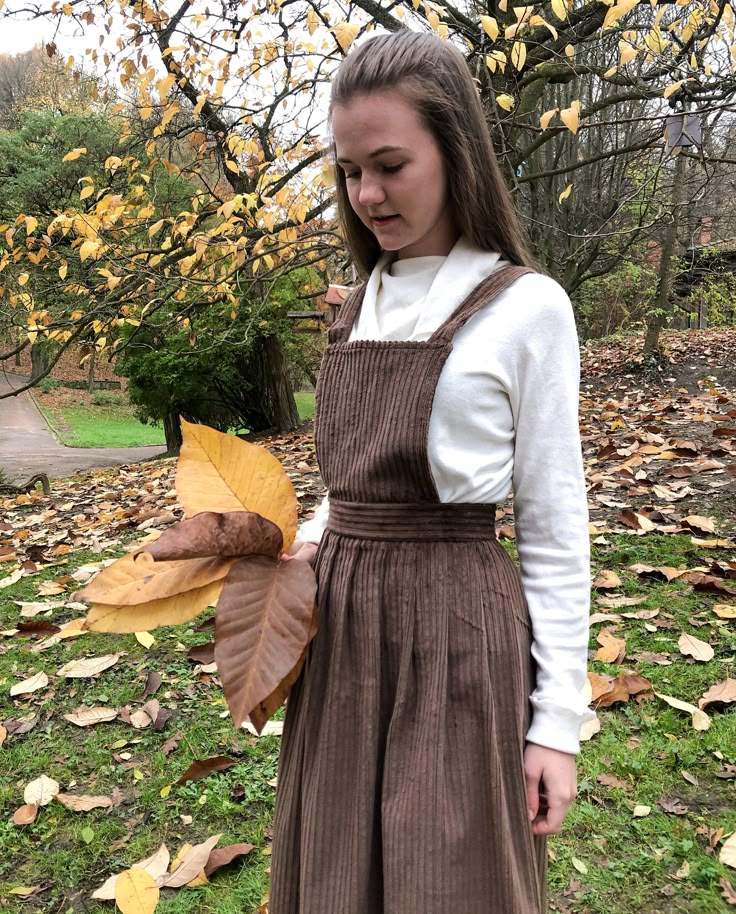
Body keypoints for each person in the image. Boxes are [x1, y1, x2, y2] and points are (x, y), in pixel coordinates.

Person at [272, 29, 594, 914]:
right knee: (339, 863)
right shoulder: (358, 301)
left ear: (453, 151)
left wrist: (556, 726)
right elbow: (350, 483)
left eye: (389, 164)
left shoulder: (527, 308)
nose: (366, 194)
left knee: (449, 871)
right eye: (348, 171)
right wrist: (305, 544)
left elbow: (557, 523)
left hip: (454, 630)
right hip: (341, 634)